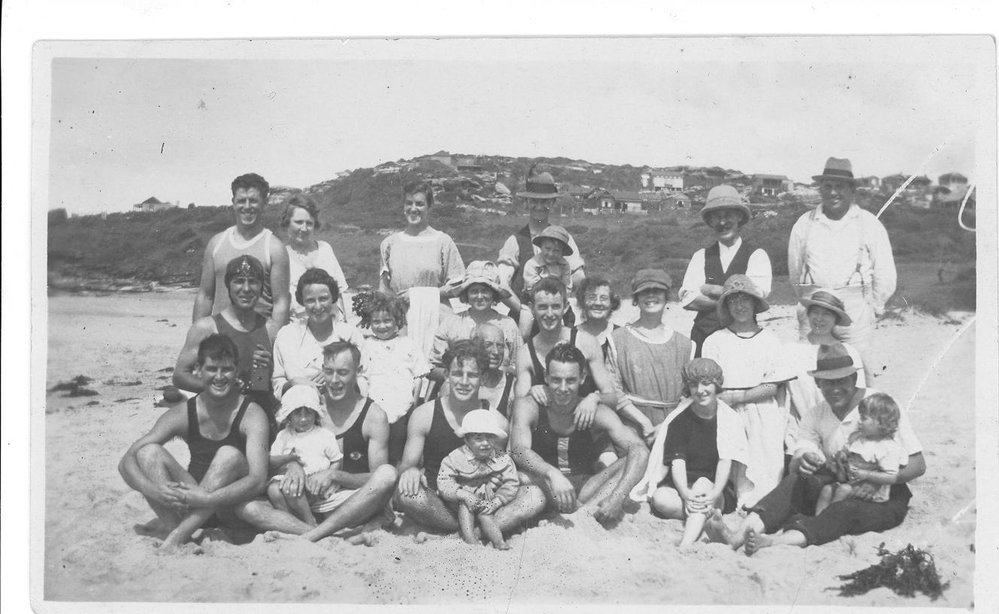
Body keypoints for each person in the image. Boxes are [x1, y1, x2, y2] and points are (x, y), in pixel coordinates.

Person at [704, 344, 925, 555]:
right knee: (795, 481)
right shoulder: (816, 413)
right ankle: (737, 535)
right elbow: (797, 457)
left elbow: (918, 465)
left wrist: (876, 479)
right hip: (840, 485)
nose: (835, 389)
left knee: (843, 510)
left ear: (854, 378)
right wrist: (803, 459)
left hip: (884, 496)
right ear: (818, 384)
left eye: (842, 381)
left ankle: (775, 541)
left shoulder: (879, 405)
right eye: (828, 383)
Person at [235, 342, 399, 542]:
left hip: (348, 502)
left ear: (358, 371)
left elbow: (376, 479)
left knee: (388, 474)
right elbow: (280, 448)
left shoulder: (373, 416)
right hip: (301, 500)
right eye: (329, 372)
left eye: (343, 372)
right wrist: (291, 464)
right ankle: (323, 534)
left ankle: (312, 534)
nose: (334, 380)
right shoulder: (306, 405)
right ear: (322, 370)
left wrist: (336, 475)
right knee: (248, 508)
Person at [119, 335, 270, 551]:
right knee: (147, 452)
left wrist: (209, 499)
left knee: (229, 454)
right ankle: (181, 536)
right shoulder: (183, 413)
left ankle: (176, 537)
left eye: (226, 369)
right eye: (212, 369)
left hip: (231, 507)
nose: (219, 377)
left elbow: (257, 479)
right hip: (192, 503)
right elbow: (126, 462)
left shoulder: (252, 414)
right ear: (198, 370)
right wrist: (153, 491)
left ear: (236, 370)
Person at [395, 340, 546, 536]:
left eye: (472, 375)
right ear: (447, 375)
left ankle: (474, 530)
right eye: (457, 374)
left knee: (535, 496)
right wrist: (411, 472)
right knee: (407, 494)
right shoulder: (424, 415)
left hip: (485, 504)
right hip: (442, 502)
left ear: (482, 378)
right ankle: (470, 530)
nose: (464, 382)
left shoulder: (497, 421)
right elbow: (408, 466)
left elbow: (502, 468)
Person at [510, 343, 650, 527]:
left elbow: (640, 451)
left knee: (629, 461)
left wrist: (618, 497)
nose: (562, 388)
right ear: (545, 377)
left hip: (585, 489)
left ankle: (583, 515)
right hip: (546, 485)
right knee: (521, 478)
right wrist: (552, 473)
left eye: (570, 380)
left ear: (582, 378)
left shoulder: (595, 411)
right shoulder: (529, 406)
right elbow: (519, 451)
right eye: (556, 380)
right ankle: (582, 515)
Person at [788, 157, 897, 381]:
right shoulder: (804, 223)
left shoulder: (868, 223)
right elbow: (795, 271)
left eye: (840, 186)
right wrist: (809, 298)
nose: (833, 192)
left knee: (858, 369)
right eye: (828, 186)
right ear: (821, 188)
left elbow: (885, 274)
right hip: (814, 308)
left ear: (852, 190)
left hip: (855, 312)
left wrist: (873, 307)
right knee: (807, 367)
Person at [631, 358, 747, 547]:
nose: (700, 390)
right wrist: (685, 493)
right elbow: (678, 463)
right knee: (660, 499)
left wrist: (714, 492)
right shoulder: (680, 421)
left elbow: (724, 462)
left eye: (706, 383)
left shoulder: (728, 420)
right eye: (694, 385)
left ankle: (685, 544)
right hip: (683, 487)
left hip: (716, 488)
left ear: (717, 385)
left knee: (702, 485)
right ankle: (702, 519)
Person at [701, 275, 788, 508]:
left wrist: (740, 397)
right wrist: (726, 400)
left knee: (764, 470)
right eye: (733, 301)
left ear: (754, 304)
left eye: (745, 300)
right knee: (731, 470)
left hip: (761, 410)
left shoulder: (770, 340)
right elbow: (707, 384)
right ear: (726, 306)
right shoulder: (715, 340)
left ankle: (759, 510)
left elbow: (773, 385)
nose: (739, 306)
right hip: (726, 411)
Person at [175, 255, 276, 423]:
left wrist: (270, 368)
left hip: (261, 414)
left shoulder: (271, 329)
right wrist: (221, 385)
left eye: (253, 281)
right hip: (219, 416)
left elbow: (279, 378)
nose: (246, 288)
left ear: (261, 287)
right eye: (239, 281)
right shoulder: (206, 328)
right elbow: (180, 376)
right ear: (228, 285)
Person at [680, 184, 772, 357]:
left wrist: (712, 290)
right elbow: (688, 299)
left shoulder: (757, 256)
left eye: (728, 215)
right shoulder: (701, 256)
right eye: (717, 217)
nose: (723, 222)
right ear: (710, 221)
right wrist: (736, 298)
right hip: (703, 339)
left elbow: (757, 296)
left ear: (739, 216)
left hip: (744, 339)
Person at [515, 277, 617, 431]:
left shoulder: (587, 342)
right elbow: (519, 408)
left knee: (610, 456)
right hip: (547, 433)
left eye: (555, 306)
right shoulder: (525, 353)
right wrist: (531, 392)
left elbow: (612, 397)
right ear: (532, 308)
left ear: (565, 307)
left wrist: (594, 398)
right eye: (542, 307)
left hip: (585, 427)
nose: (549, 314)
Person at [379, 179, 466, 358]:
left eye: (419, 204)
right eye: (408, 203)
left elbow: (457, 285)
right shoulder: (390, 243)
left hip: (435, 316)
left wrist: (418, 295)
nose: (413, 209)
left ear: (429, 206)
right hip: (400, 319)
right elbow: (383, 288)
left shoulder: (442, 241)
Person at [193, 173, 290, 332]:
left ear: (264, 203)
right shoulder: (216, 244)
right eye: (241, 201)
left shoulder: (274, 248)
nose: (247, 206)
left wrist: (274, 346)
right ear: (233, 203)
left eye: (253, 201)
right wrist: (198, 338)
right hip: (220, 340)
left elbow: (281, 303)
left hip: (258, 339)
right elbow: (205, 296)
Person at [610, 269, 693, 444]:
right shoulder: (618, 339)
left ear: (667, 297)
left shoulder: (684, 344)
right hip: (632, 425)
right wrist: (644, 422)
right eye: (644, 292)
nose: (651, 296)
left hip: (673, 426)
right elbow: (613, 390)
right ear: (636, 299)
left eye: (657, 291)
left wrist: (665, 426)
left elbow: (689, 395)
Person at [783, 289, 867, 448]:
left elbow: (857, 397)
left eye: (827, 314)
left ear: (836, 319)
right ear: (807, 314)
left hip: (838, 434)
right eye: (815, 312)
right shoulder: (790, 351)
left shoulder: (848, 352)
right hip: (800, 435)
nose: (819, 319)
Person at [497, 168, 585, 314]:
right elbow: (502, 285)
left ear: (553, 202)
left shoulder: (565, 239)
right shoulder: (514, 242)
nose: (539, 206)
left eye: (545, 201)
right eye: (534, 201)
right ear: (526, 202)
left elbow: (579, 278)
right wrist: (524, 312)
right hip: (524, 318)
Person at [271, 268, 365, 402]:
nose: (318, 306)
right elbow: (277, 383)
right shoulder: (287, 335)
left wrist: (336, 375)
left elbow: (364, 379)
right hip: (300, 412)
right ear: (301, 301)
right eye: (310, 300)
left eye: (323, 299)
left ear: (333, 297)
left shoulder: (350, 334)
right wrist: (294, 384)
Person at [358, 291, 430, 463]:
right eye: (376, 322)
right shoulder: (366, 345)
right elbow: (361, 377)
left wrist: (413, 406)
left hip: (402, 407)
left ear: (397, 320)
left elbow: (418, 377)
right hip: (375, 407)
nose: (382, 326)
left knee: (398, 448)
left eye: (387, 320)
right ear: (369, 322)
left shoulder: (408, 344)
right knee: (376, 450)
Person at [437, 409, 520, 550]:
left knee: (486, 514)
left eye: (490, 438)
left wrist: (496, 501)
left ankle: (499, 542)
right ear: (467, 440)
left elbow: (511, 482)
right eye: (478, 438)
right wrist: (462, 494)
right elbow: (444, 481)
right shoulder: (455, 457)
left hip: (488, 500)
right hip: (463, 501)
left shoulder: (502, 458)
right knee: (466, 506)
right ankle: (470, 541)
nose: (485, 443)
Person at [427, 260, 522, 382]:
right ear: (466, 294)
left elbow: (518, 365)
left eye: (485, 291)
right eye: (474, 291)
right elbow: (433, 367)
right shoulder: (451, 323)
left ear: (493, 294)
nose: (480, 296)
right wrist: (460, 377)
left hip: (497, 390)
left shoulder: (508, 324)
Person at [813, 392, 904, 514]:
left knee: (842, 490)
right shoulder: (857, 438)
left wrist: (867, 475)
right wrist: (842, 456)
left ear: (881, 422)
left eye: (864, 418)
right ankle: (818, 519)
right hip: (850, 482)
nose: (859, 421)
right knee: (827, 490)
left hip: (872, 491)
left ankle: (831, 519)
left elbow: (891, 477)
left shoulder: (887, 446)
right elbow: (845, 452)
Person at [267, 384, 343, 527]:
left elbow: (337, 460)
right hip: (289, 479)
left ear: (315, 413)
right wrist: (289, 459)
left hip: (316, 483)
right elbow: (272, 460)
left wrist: (328, 477)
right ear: (289, 415)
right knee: (273, 490)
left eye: (308, 413)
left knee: (292, 488)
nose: (303, 419)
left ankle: (309, 521)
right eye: (297, 413)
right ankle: (294, 523)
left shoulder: (324, 435)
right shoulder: (284, 435)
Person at [280, 194, 349, 322]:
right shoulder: (281, 256)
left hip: (334, 325)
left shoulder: (325, 249)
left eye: (309, 223)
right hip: (299, 329)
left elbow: (340, 294)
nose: (304, 228)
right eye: (299, 222)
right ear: (287, 223)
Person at [518, 225, 577, 338]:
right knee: (524, 330)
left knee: (569, 320)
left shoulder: (564, 265)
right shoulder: (532, 264)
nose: (551, 254)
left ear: (562, 252)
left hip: (557, 299)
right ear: (541, 247)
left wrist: (560, 298)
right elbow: (532, 288)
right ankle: (523, 349)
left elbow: (567, 287)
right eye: (547, 249)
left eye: (556, 251)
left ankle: (568, 345)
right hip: (532, 300)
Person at [574, 274, 622, 365]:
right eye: (592, 297)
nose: (598, 303)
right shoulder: (571, 336)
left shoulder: (621, 335)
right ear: (582, 301)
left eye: (603, 298)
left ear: (612, 303)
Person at [472, 324, 517, 418]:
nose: (496, 352)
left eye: (500, 346)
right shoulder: (462, 383)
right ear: (475, 345)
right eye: (488, 345)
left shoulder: (512, 386)